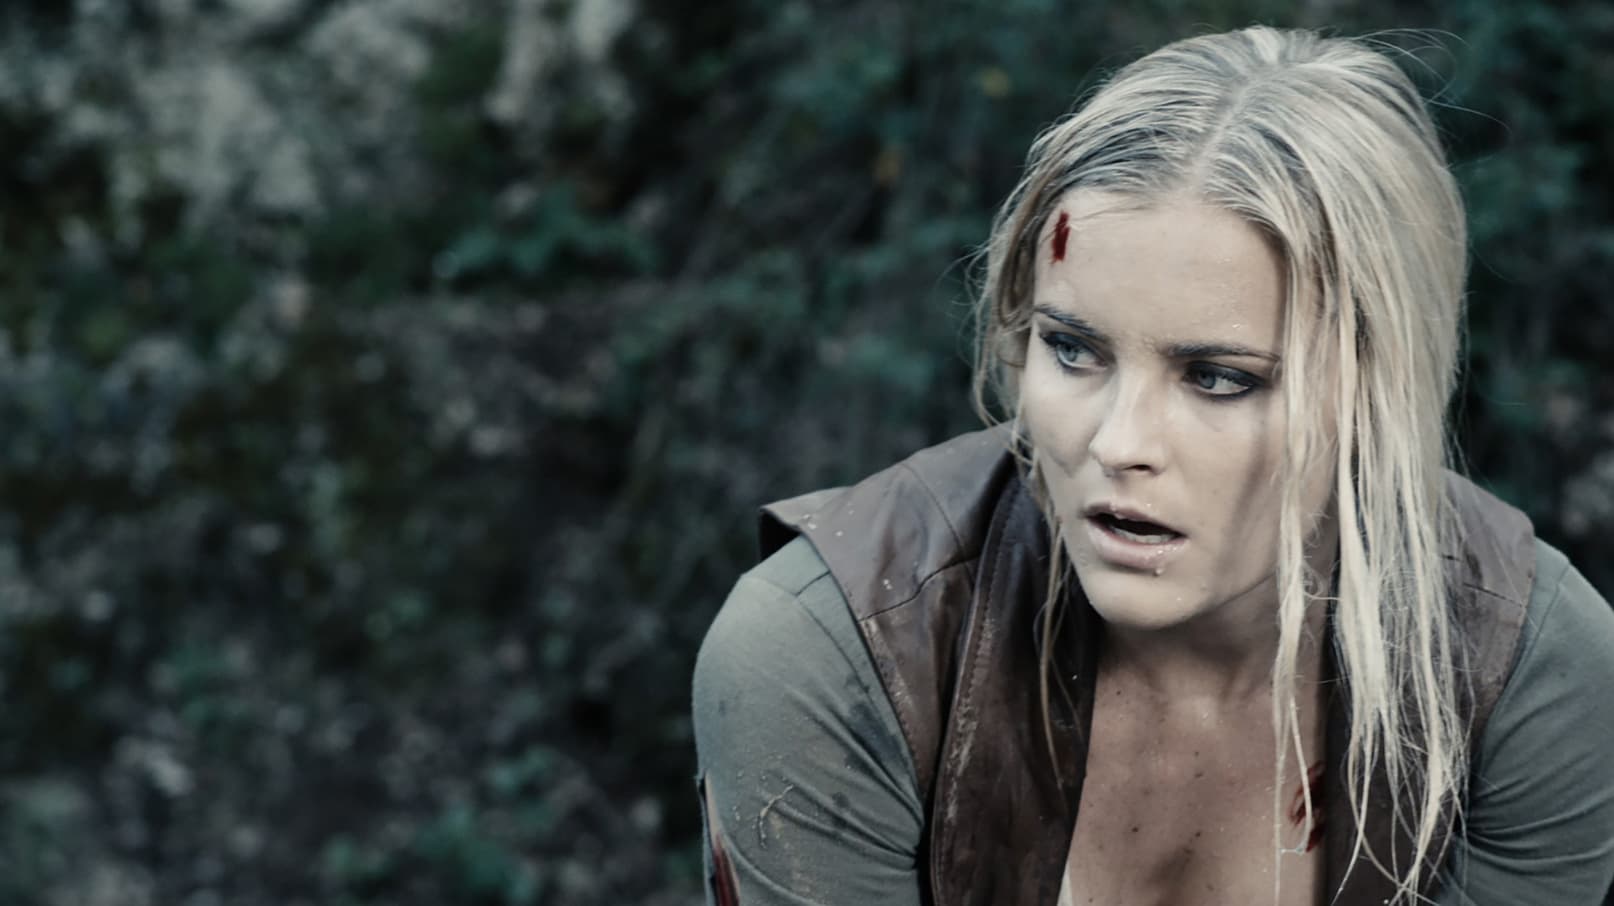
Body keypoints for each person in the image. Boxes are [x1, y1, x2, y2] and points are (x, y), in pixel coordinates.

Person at [691, 25, 1614, 906]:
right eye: (1073, 349)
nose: (1118, 443)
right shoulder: (840, 651)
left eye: (1218, 377)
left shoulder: (1527, 671)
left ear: (1377, 392)